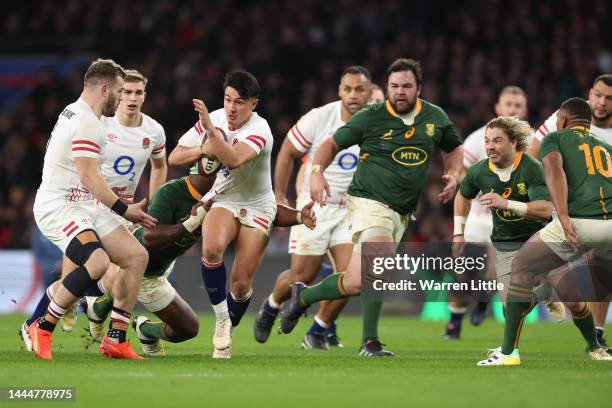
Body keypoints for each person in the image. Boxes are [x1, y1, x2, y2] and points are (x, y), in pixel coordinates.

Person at [280, 58, 463, 356]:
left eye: (406, 86)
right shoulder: (371, 116)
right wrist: (316, 173)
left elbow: (453, 147)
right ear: (387, 88)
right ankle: (370, 342)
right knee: (381, 262)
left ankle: (304, 296)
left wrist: (454, 174)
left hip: (403, 210)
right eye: (394, 86)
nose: (400, 92)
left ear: (419, 88)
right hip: (368, 201)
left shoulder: (435, 117)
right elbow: (329, 145)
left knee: (355, 282)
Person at [81, 171, 315, 356]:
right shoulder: (172, 192)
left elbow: (264, 211)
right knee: (188, 328)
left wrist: (297, 216)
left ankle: (141, 328)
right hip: (143, 269)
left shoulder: (220, 196)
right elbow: (150, 239)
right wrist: (188, 225)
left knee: (188, 330)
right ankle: (101, 306)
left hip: (164, 265)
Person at [20, 68, 168, 348]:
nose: (128, 98)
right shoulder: (93, 123)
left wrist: (149, 203)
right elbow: (89, 175)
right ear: (108, 91)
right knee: (94, 269)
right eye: (123, 91)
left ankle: (114, 338)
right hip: (72, 205)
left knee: (136, 257)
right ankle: (40, 324)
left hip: (95, 205)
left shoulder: (148, 130)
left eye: (136, 92)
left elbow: (160, 165)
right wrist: (125, 209)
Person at [479, 97, 612, 366]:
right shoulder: (607, 147)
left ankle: (507, 353)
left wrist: (562, 214)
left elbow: (554, 171)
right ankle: (595, 345)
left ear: (562, 120)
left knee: (522, 266)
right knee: (569, 287)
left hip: (580, 223)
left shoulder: (556, 138)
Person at [253, 66, 372, 350]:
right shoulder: (320, 117)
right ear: (339, 90)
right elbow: (287, 152)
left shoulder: (378, 121)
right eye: (348, 88)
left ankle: (317, 329)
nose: (353, 95)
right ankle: (271, 306)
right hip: (316, 208)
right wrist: (280, 196)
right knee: (302, 276)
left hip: (352, 212)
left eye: (360, 89)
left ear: (369, 92)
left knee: (352, 278)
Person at [170, 70, 275, 358]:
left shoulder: (260, 130)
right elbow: (175, 156)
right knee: (212, 248)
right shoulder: (214, 117)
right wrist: (202, 148)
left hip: (258, 205)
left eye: (239, 102)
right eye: (228, 99)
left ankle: (229, 318)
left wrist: (211, 132)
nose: (231, 108)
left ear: (254, 103)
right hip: (225, 197)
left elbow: (233, 158)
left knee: (240, 284)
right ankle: (221, 320)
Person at [529, 74, 612, 349]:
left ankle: (597, 333)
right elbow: (533, 152)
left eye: (609, 98)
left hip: (602, 211)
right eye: (598, 95)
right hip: (565, 207)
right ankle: (547, 286)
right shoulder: (567, 115)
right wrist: (548, 196)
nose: (601, 103)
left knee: (603, 267)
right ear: (590, 93)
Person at [452, 116, 552, 310]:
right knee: (510, 303)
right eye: (487, 141)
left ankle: (594, 336)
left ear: (513, 142)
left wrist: (506, 203)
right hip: (501, 235)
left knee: (571, 298)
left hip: (529, 236)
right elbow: (462, 195)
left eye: (497, 141)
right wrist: (458, 233)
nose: (490, 147)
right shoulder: (480, 170)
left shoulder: (531, 168)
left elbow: (545, 209)